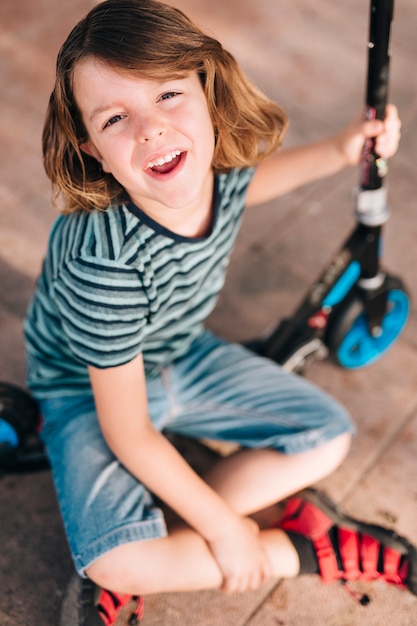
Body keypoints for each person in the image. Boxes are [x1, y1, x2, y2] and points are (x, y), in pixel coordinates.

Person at [24, 0, 416, 624]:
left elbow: (244, 188)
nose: (150, 129)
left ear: (205, 88)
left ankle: (174, 535)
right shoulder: (103, 263)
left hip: (181, 353)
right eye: (116, 117)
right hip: (88, 393)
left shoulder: (204, 169)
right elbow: (127, 430)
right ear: (93, 150)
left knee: (328, 436)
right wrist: (230, 533)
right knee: (112, 562)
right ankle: (299, 549)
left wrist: (344, 151)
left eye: (168, 94)